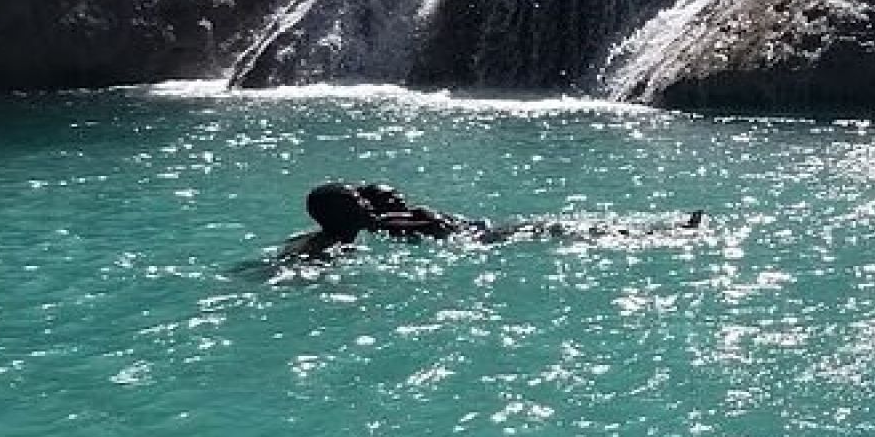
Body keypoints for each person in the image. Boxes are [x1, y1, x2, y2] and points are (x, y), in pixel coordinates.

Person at [279, 182, 704, 258]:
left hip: (479, 236)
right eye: (357, 202)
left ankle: (659, 231)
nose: (366, 206)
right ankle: (664, 234)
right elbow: (429, 228)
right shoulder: (380, 226)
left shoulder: (345, 231)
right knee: (562, 230)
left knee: (563, 229)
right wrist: (425, 219)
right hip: (485, 240)